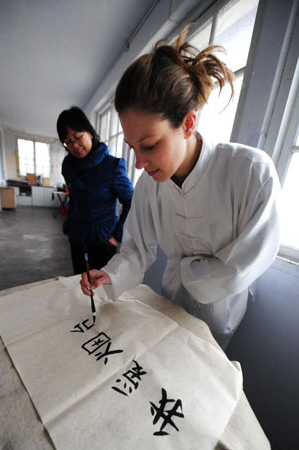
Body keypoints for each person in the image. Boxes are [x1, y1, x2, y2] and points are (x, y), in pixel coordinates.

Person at [80, 28, 280, 350]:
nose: (139, 164)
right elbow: (136, 248)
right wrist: (111, 276)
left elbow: (244, 262)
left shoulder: (251, 173)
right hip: (169, 304)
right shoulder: (149, 187)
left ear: (188, 124)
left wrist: (187, 269)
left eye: (149, 145)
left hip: (222, 311)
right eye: (132, 147)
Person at [57, 106, 134, 274]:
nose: (75, 145)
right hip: (77, 238)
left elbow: (131, 202)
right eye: (68, 142)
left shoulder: (112, 166)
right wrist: (69, 225)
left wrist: (116, 236)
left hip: (103, 241)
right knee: (79, 283)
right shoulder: (68, 166)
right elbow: (74, 199)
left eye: (78, 137)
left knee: (101, 290)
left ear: (90, 133)